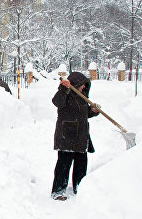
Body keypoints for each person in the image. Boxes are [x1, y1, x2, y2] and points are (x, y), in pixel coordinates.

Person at [51, 72, 100, 201]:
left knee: (81, 164)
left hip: (81, 136)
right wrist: (63, 88)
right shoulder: (65, 95)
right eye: (82, 85)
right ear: (76, 84)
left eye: (85, 85)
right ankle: (58, 191)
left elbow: (83, 115)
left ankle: (80, 187)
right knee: (64, 164)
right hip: (67, 134)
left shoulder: (83, 97)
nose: (84, 87)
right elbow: (56, 102)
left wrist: (93, 112)